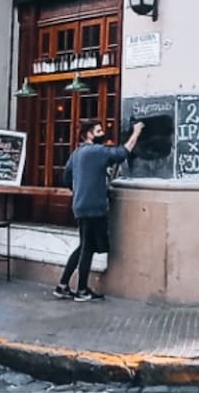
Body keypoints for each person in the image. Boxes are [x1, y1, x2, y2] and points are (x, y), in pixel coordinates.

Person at [54, 119, 143, 301]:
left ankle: (62, 285)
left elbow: (66, 177)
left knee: (83, 245)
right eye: (98, 130)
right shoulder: (97, 151)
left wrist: (81, 189)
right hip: (93, 207)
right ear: (88, 134)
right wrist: (136, 132)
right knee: (87, 248)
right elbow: (122, 152)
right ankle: (82, 290)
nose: (103, 133)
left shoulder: (77, 153)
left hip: (80, 205)